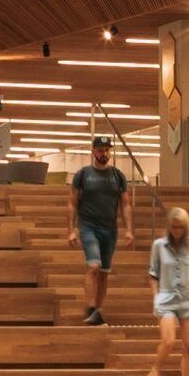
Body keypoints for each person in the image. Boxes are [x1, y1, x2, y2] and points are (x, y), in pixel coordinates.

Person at [143, 207, 189, 376]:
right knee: (169, 340)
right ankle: (155, 369)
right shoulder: (159, 245)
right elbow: (153, 274)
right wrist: (156, 296)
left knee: (188, 345)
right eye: (174, 227)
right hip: (166, 297)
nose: (177, 231)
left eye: (181, 227)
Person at [70, 135, 131, 326]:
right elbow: (72, 203)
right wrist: (72, 229)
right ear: (93, 151)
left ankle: (97, 310)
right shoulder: (83, 175)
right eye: (100, 150)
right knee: (94, 266)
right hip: (88, 226)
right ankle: (91, 308)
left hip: (110, 228)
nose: (104, 153)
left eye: (106, 150)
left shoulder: (117, 176)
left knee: (104, 271)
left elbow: (125, 204)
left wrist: (129, 229)